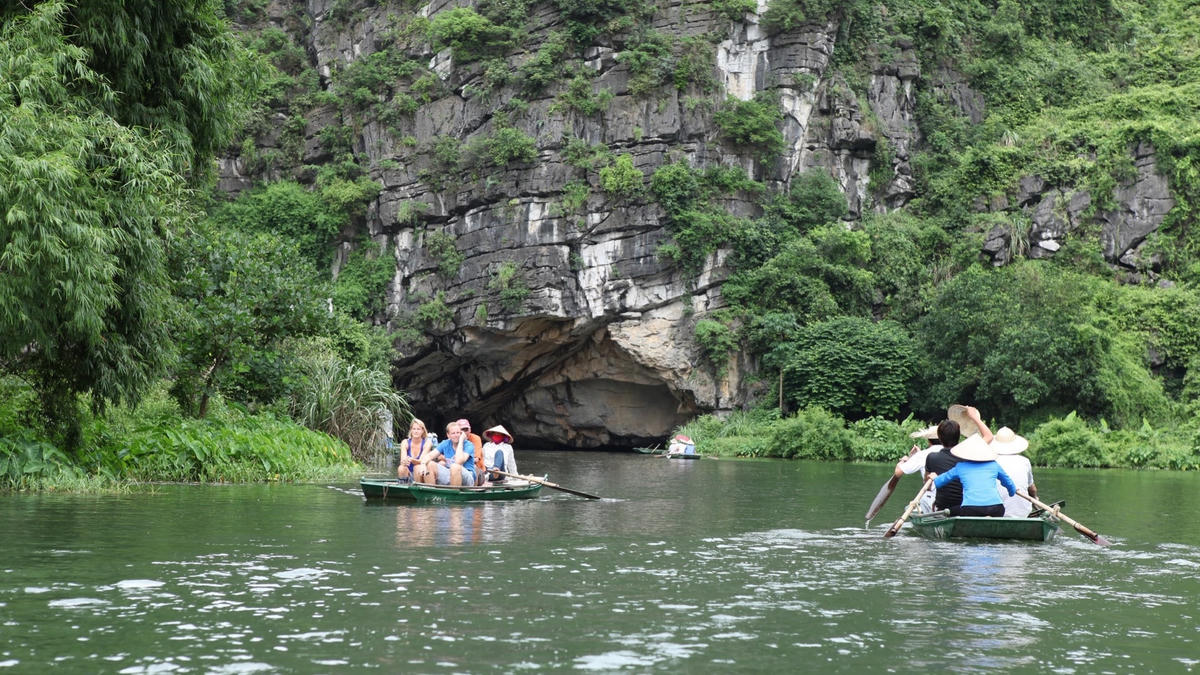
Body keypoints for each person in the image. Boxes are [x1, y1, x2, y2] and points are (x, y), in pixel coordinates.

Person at [925, 405, 994, 514]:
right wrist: (975, 418)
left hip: (943, 507)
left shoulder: (931, 457)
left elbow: (927, 486)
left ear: (939, 437)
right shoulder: (968, 454)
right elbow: (989, 436)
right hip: (968, 507)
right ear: (959, 435)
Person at [928, 433, 1016, 517]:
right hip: (996, 509)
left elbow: (939, 482)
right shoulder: (994, 464)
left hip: (970, 510)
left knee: (956, 510)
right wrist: (1012, 492)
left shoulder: (961, 466)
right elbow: (1010, 485)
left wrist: (935, 478)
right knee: (999, 510)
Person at [991, 426, 1038, 517]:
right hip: (1023, 514)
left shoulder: (990, 462)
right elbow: (1032, 489)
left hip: (995, 513)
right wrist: (1035, 498)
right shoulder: (1025, 461)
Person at [893, 425, 941, 513]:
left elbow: (898, 472)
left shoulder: (923, 455)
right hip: (954, 498)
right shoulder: (955, 452)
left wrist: (904, 460)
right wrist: (916, 456)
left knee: (910, 507)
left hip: (933, 499)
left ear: (928, 441)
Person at [421, 421, 475, 487]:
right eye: (453, 433)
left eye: (458, 433)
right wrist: (423, 464)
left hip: (468, 478)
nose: (456, 435)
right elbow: (430, 455)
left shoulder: (468, 445)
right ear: (448, 435)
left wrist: (461, 441)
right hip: (451, 475)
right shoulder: (445, 443)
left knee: (455, 466)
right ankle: (431, 493)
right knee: (430, 464)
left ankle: (454, 495)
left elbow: (458, 461)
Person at [396, 418, 434, 482]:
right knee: (401, 468)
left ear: (422, 431)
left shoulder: (427, 443)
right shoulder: (405, 442)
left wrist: (411, 460)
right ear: (411, 430)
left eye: (418, 429)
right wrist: (404, 461)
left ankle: (418, 488)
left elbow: (421, 461)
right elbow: (403, 460)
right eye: (414, 429)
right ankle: (403, 487)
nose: (416, 431)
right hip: (409, 472)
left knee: (417, 467)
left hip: (421, 472)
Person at [457, 418, 486, 486]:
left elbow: (475, 459)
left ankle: (473, 491)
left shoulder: (475, 439)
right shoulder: (453, 439)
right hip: (459, 469)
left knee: (474, 466)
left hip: (476, 471)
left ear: (470, 430)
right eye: (461, 430)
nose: (464, 433)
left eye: (466, 430)